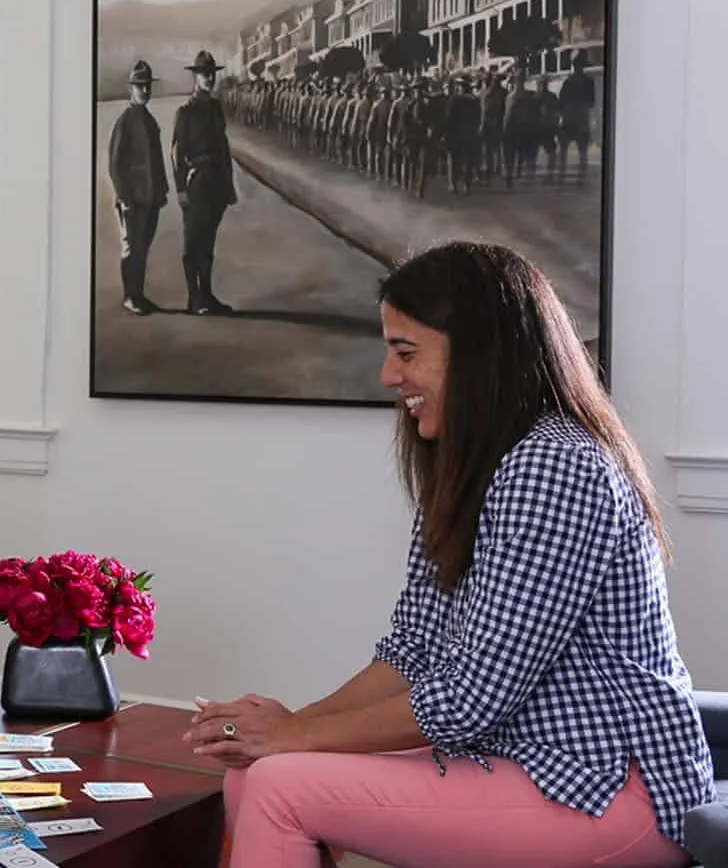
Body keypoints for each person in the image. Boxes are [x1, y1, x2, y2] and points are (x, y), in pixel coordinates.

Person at [186, 242, 713, 868]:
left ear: (479, 355)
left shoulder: (556, 464)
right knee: (257, 772)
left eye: (406, 352)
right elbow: (413, 651)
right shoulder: (474, 467)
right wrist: (281, 731)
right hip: (518, 764)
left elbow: (471, 697)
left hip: (607, 791)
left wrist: (293, 735)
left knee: (279, 784)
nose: (388, 375)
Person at [172, 49, 237, 314]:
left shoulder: (215, 107)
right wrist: (180, 189)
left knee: (208, 243)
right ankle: (194, 298)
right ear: (195, 77)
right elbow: (177, 152)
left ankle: (207, 295)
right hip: (195, 180)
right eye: (203, 74)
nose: (208, 78)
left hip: (216, 182)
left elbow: (223, 147)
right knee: (193, 243)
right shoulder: (185, 111)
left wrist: (229, 185)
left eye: (211, 74)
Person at [108, 58, 168, 316]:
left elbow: (156, 160)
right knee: (132, 248)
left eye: (147, 86)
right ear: (130, 89)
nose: (145, 90)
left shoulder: (149, 119)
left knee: (143, 247)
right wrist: (124, 197)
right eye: (140, 86)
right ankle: (130, 297)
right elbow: (115, 164)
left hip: (151, 197)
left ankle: (139, 294)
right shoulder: (126, 121)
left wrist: (162, 190)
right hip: (132, 199)